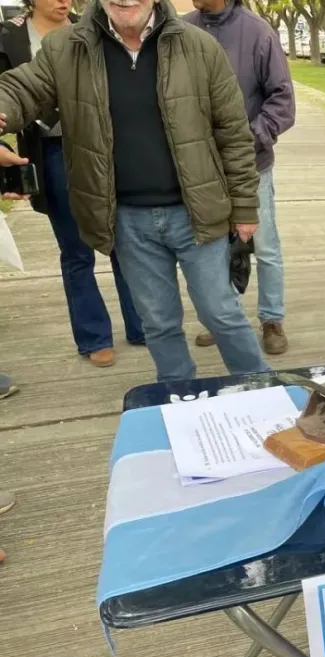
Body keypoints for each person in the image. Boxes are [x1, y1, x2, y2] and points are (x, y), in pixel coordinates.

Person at [0, 0, 267, 383]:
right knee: (157, 323)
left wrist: (244, 208)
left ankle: (259, 384)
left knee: (222, 313)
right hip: (127, 221)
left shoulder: (200, 46)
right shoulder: (66, 48)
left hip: (198, 214)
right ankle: (178, 396)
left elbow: (234, 135)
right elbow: (20, 88)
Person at [0, 0, 145, 369]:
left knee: (121, 239)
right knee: (75, 249)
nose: (65, 1)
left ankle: (142, 323)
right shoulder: (8, 37)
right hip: (49, 153)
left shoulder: (92, 28)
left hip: (101, 148)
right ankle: (94, 336)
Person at [185, 0, 295, 356]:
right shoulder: (181, 29)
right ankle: (225, 319)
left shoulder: (258, 32)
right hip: (200, 169)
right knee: (212, 248)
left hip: (252, 165)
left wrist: (247, 138)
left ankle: (272, 319)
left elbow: (282, 100)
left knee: (265, 247)